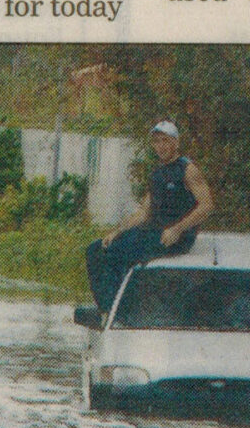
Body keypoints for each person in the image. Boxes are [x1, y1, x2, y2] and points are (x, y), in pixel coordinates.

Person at [84, 119, 214, 314]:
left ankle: (118, 311)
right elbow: (145, 212)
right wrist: (116, 232)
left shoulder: (187, 169)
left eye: (165, 140)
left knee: (116, 255)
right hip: (154, 232)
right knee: (96, 249)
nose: (161, 146)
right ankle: (107, 310)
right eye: (157, 141)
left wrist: (177, 229)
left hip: (176, 237)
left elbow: (207, 206)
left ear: (176, 143)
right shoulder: (157, 173)